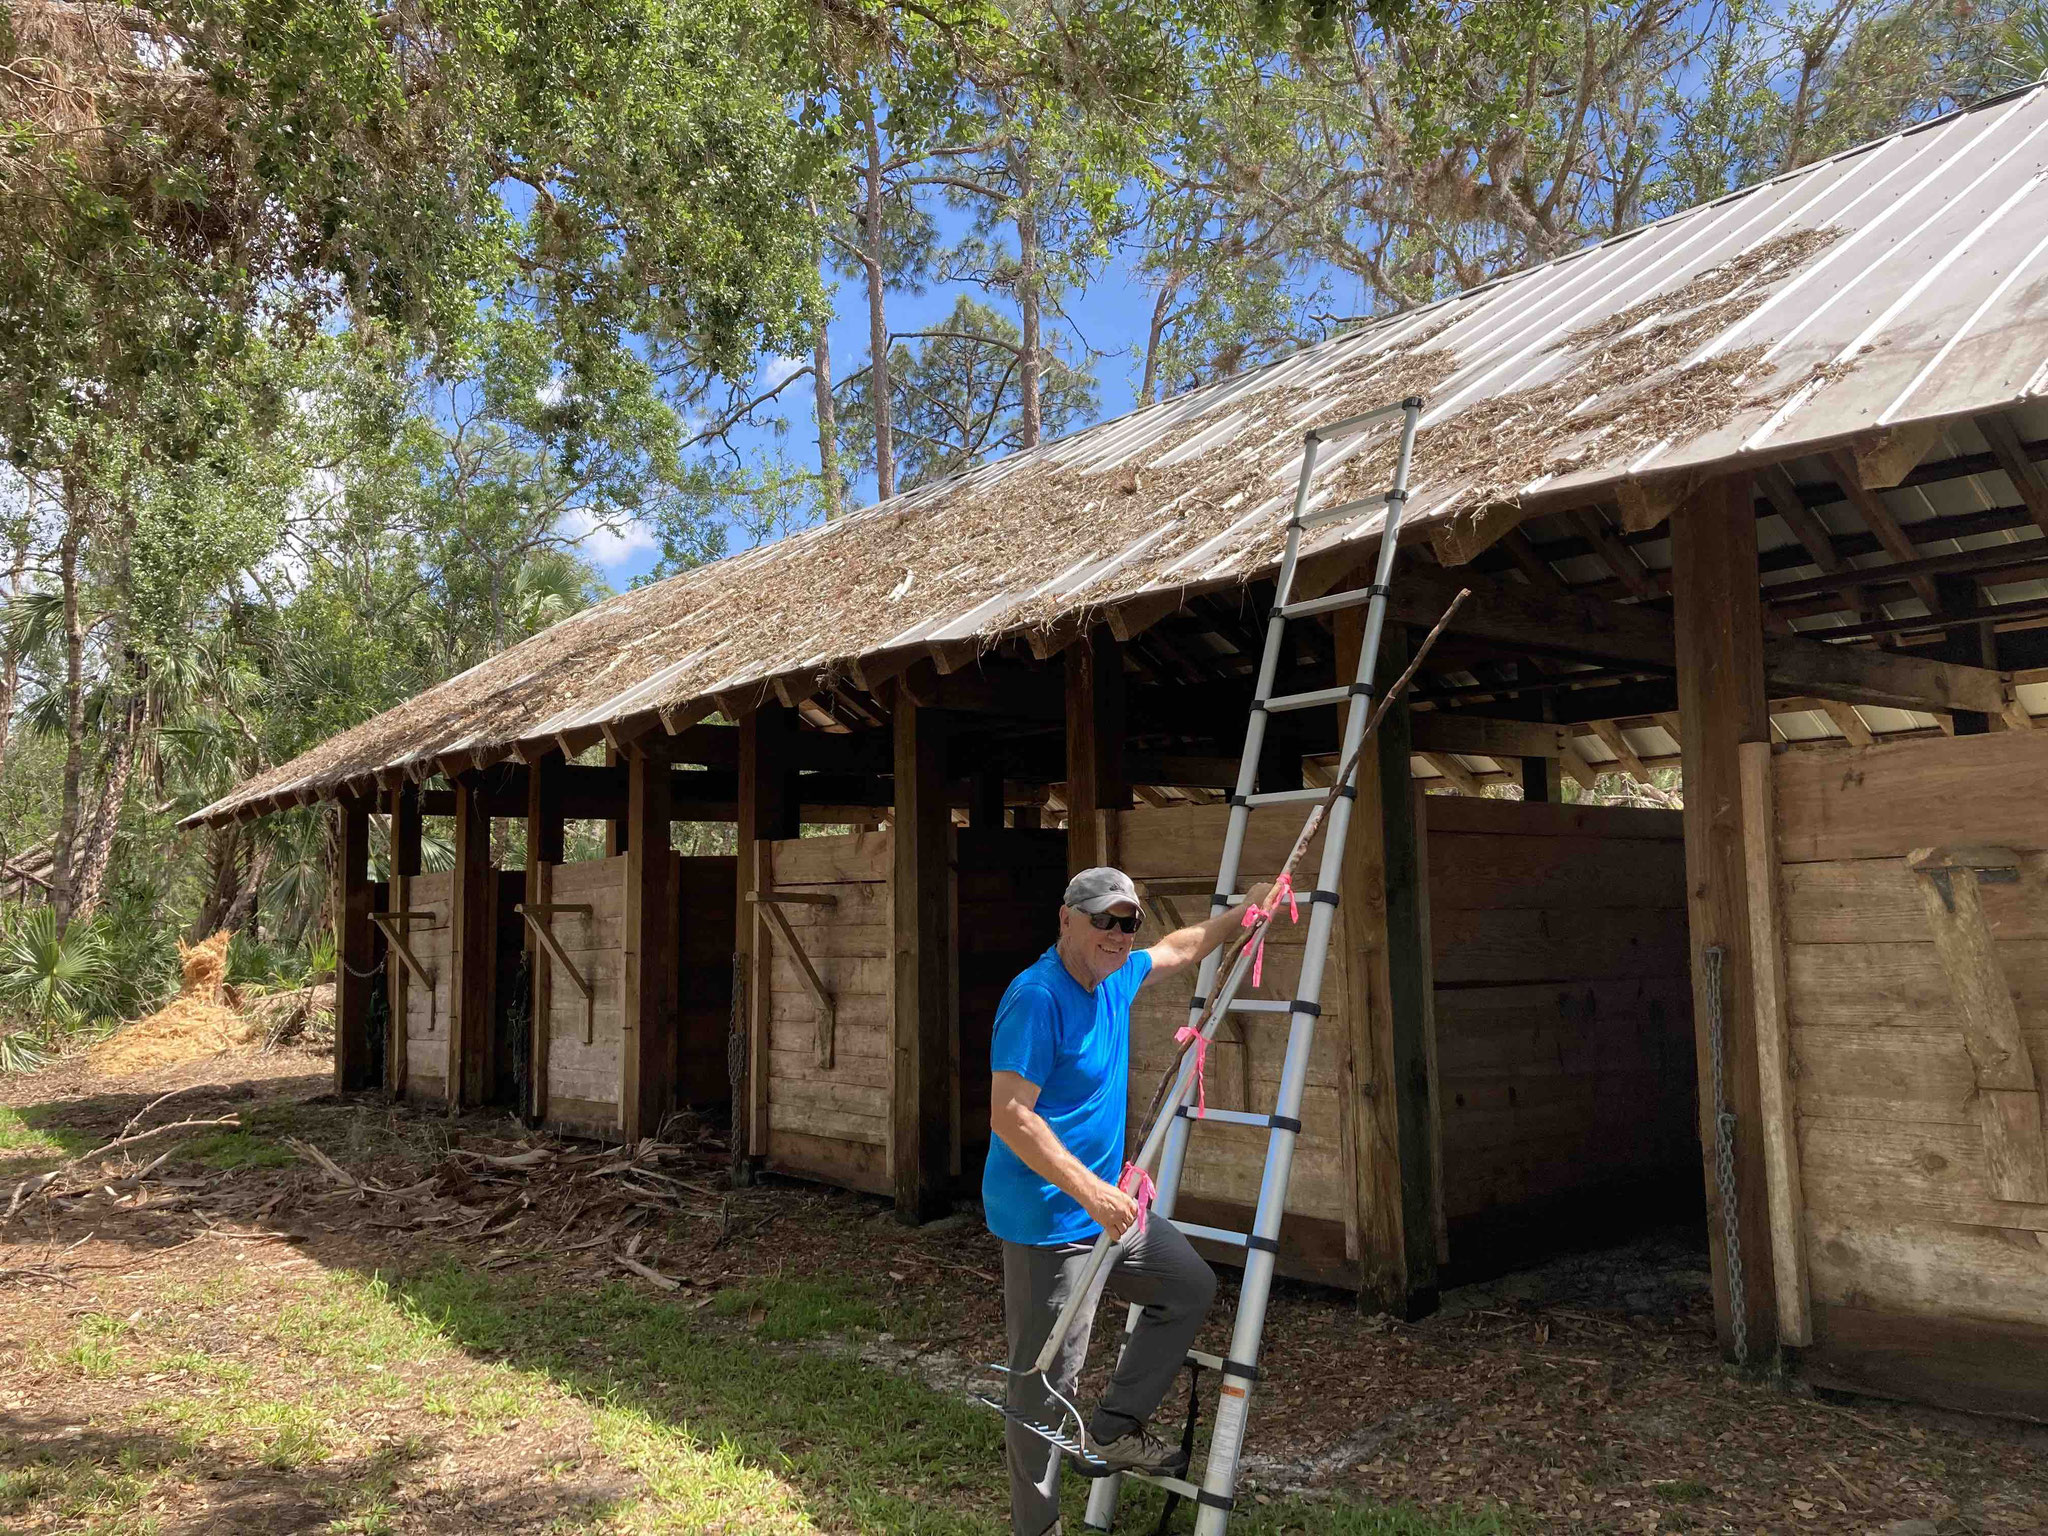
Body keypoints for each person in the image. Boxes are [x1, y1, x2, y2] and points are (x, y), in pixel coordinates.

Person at [985, 865, 1272, 1536]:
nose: (1117, 934)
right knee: (1043, 1390)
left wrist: (1243, 916)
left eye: (1127, 921)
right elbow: (1010, 1116)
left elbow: (1178, 949)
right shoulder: (1036, 997)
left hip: (1108, 1212)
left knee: (1187, 1285)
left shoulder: (1114, 978)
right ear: (1066, 919)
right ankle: (1039, 1528)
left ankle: (1112, 1429)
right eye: (1102, 919)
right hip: (1049, 1224)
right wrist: (1093, 1192)